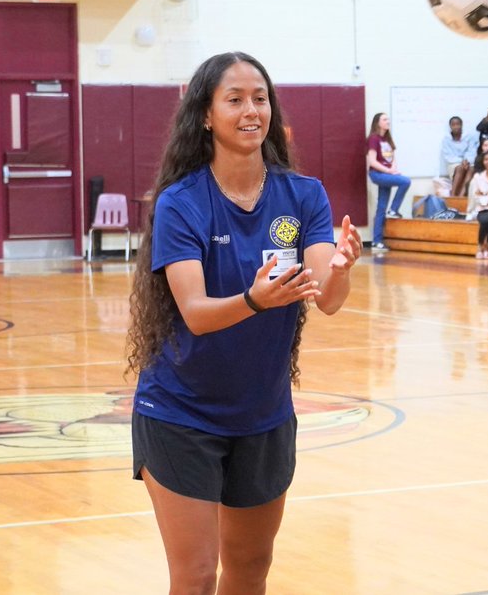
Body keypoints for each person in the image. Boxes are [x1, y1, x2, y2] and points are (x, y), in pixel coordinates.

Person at [126, 52, 361, 595]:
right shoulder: (181, 203)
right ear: (205, 115)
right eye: (234, 99)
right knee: (196, 575)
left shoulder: (304, 195)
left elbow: (325, 297)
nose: (251, 110)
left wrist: (343, 270)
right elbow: (196, 313)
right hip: (180, 414)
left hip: (263, 414)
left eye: (260, 98)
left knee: (251, 568)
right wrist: (254, 301)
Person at [366, 112, 409, 251]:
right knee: (405, 182)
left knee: (381, 208)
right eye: (384, 119)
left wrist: (393, 169)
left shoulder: (388, 139)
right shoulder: (373, 138)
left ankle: (376, 241)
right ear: (378, 122)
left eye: (388, 119)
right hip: (377, 174)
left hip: (386, 173)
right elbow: (372, 161)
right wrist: (389, 171)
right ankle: (394, 209)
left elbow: (392, 159)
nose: (388, 121)